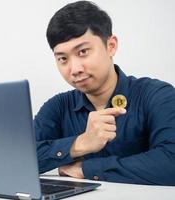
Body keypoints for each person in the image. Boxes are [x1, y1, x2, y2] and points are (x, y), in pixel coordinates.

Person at [34, 0, 175, 185]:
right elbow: (17, 157)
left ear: (111, 46)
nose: (74, 68)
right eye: (62, 58)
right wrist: (79, 144)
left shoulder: (157, 95)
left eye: (83, 51)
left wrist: (86, 169)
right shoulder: (58, 107)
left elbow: (171, 162)